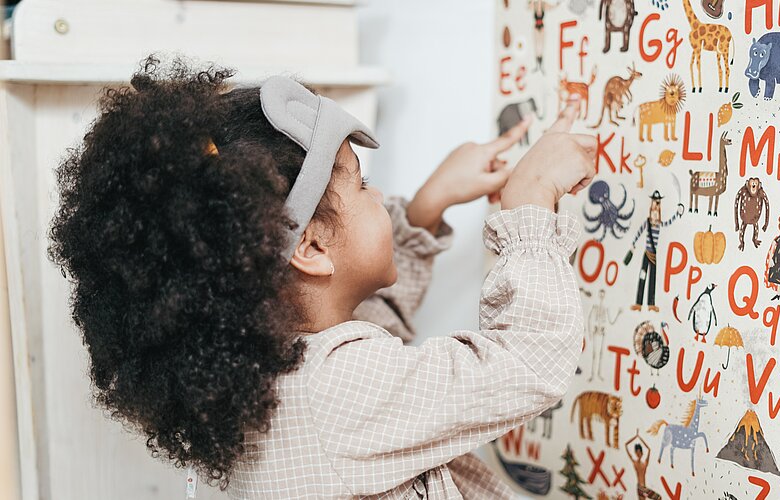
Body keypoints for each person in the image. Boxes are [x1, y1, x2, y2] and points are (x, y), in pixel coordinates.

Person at [46, 55, 596, 498]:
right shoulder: (336, 396)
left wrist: (428, 206)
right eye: (362, 185)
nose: (378, 194)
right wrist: (531, 200)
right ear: (309, 245)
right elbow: (527, 362)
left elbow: (365, 334)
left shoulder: (273, 378)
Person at [630, 190, 684, 312]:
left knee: (652, 278)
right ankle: (638, 302)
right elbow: (639, 232)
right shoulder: (647, 223)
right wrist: (633, 244)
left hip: (653, 255)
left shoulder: (659, 224)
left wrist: (678, 213)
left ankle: (651, 303)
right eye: (654, 204)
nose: (655, 208)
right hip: (646, 254)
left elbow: (669, 222)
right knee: (642, 277)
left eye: (657, 204)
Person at [625, 431, 661, 500]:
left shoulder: (644, 463)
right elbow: (626, 445)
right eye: (637, 453)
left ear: (642, 453)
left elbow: (649, 450)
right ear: (635, 453)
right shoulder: (635, 462)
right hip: (640, 488)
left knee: (658, 497)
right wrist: (636, 437)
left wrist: (640, 438)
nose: (638, 454)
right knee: (658, 498)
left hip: (642, 487)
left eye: (640, 453)